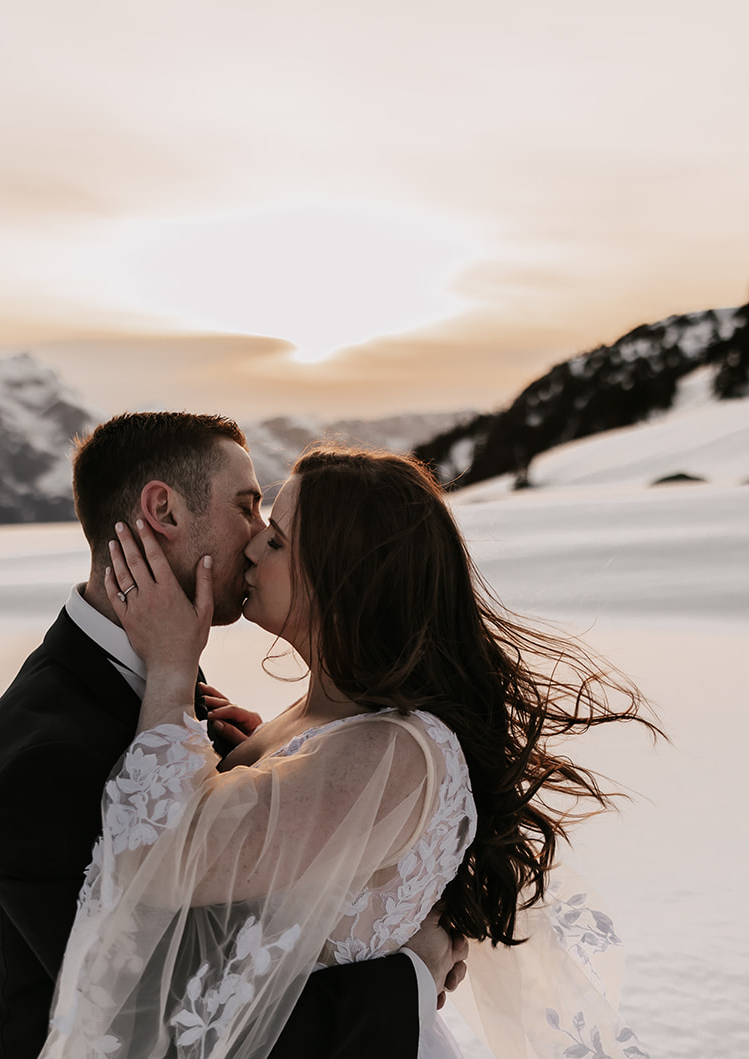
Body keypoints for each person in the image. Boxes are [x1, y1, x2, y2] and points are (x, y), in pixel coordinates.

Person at [41, 446, 661, 1059]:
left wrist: (172, 669)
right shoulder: (332, 726)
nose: (253, 546)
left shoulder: (390, 752)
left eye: (278, 540)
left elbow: (162, 857)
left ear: (341, 580)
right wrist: (265, 766)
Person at [0, 414, 464, 1059]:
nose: (257, 540)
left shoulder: (175, 678)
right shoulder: (44, 762)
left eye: (271, 528)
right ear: (162, 510)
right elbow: (150, 1019)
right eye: (248, 507)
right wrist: (406, 971)